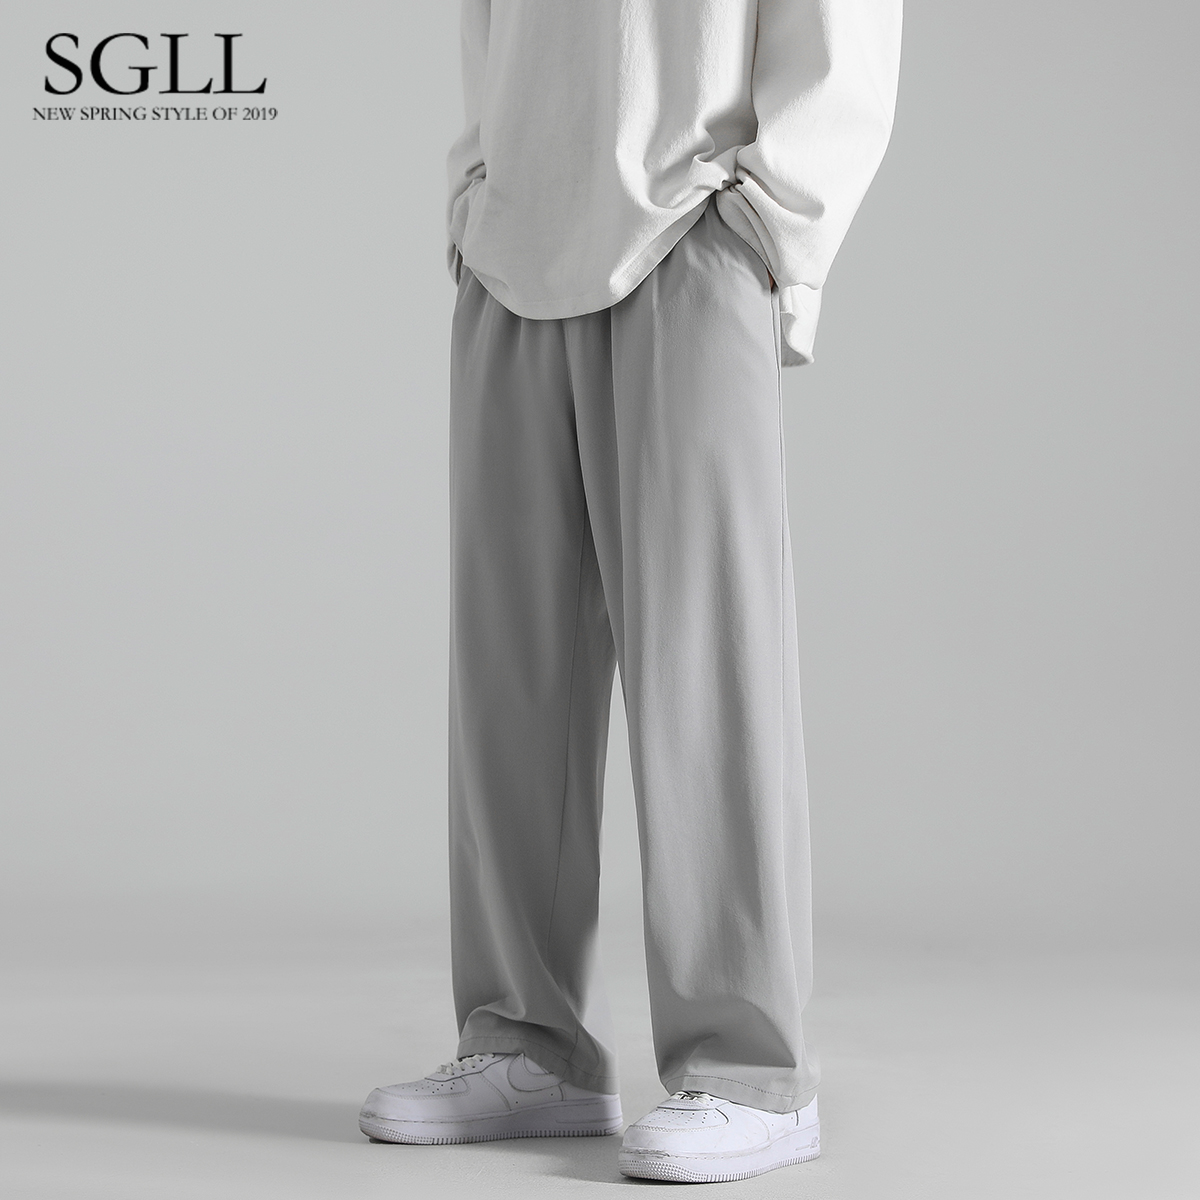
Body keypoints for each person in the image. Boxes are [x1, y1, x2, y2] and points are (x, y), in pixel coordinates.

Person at [360, 0, 902, 1183]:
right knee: (511, 678)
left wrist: (772, 221)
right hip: (516, 241)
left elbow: (844, 27)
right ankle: (526, 1043)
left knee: (705, 670)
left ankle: (749, 1069)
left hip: (691, 229)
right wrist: (476, 193)